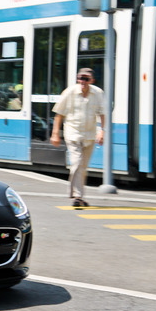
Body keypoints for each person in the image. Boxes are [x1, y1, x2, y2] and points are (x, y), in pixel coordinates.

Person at [50, 68, 105, 207]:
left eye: (86, 79)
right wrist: (55, 133)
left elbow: (102, 114)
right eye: (80, 78)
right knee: (76, 163)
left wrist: (102, 131)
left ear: (92, 80)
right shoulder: (69, 92)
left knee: (83, 167)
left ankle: (77, 195)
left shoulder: (98, 93)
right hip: (73, 133)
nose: (83, 82)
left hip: (90, 135)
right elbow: (59, 114)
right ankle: (77, 196)